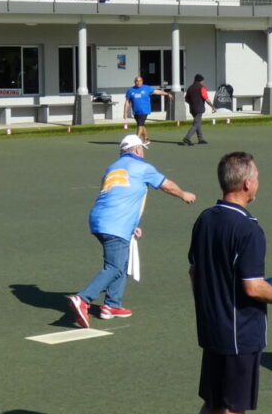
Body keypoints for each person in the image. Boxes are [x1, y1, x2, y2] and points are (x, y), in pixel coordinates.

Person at [179, 151, 272, 414]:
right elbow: (253, 287)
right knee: (234, 404)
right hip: (240, 330)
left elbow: (194, 272)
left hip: (211, 326)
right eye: (256, 177)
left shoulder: (205, 219)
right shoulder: (249, 229)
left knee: (212, 398)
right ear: (246, 183)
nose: (258, 183)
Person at [66, 134, 196, 327]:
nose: (142, 152)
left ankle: (112, 305)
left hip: (101, 219)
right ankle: (83, 299)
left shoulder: (112, 168)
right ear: (137, 150)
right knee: (114, 267)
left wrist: (132, 225)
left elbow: (119, 196)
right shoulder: (143, 168)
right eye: (141, 148)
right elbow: (167, 186)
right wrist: (184, 194)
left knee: (122, 262)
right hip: (115, 224)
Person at [125, 76, 171, 144]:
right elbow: (127, 101)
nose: (138, 82)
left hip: (144, 111)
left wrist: (167, 94)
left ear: (142, 81)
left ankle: (136, 141)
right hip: (136, 111)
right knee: (141, 125)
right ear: (134, 82)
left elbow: (156, 92)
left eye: (140, 81)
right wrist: (125, 112)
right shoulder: (130, 90)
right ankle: (146, 139)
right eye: (137, 81)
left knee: (140, 125)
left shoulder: (147, 88)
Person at [182, 74, 210, 147]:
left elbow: (186, 99)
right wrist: (212, 106)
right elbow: (205, 98)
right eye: (203, 81)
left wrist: (191, 103)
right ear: (200, 80)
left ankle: (201, 139)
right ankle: (187, 138)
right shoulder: (202, 87)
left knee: (198, 123)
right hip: (199, 108)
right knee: (196, 124)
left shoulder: (190, 88)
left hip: (192, 109)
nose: (203, 82)